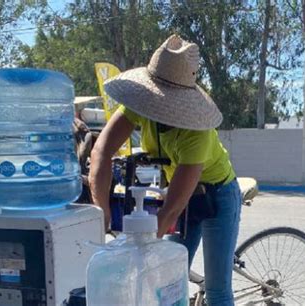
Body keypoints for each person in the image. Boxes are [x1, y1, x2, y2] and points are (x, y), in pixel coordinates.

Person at [89, 35, 241, 306]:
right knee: (167, 282)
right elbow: (101, 153)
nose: (159, 107)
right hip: (181, 194)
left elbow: (170, 211)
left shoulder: (197, 132)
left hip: (217, 196)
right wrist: (101, 215)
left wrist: (136, 255)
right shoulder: (141, 106)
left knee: (217, 291)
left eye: (166, 101)